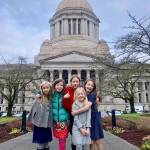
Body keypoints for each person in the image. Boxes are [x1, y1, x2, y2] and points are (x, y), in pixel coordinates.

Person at [63, 75, 91, 150]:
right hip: (73, 117)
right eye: (73, 81)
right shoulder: (67, 90)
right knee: (75, 138)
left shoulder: (82, 90)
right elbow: (66, 106)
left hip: (83, 117)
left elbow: (90, 94)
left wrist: (96, 98)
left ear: (79, 82)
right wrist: (65, 99)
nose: (75, 83)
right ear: (70, 82)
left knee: (84, 140)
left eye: (77, 81)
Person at [28, 81, 53, 150]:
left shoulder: (51, 98)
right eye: (44, 88)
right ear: (41, 89)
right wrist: (30, 121)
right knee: (41, 144)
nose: (45, 89)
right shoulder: (39, 98)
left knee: (47, 143)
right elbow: (33, 110)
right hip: (39, 125)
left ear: (50, 88)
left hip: (47, 125)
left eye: (47, 87)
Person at [84, 79, 104, 150]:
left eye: (92, 85)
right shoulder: (85, 94)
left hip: (94, 118)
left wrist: (75, 112)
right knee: (91, 142)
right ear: (85, 85)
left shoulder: (93, 95)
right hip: (89, 119)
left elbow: (87, 107)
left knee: (97, 140)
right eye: (88, 84)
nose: (90, 86)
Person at [52, 79, 69, 150]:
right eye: (57, 85)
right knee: (59, 139)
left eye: (61, 85)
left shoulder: (66, 94)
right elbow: (43, 90)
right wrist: (38, 94)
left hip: (63, 121)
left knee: (62, 140)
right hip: (55, 122)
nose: (59, 87)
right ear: (54, 86)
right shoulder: (52, 95)